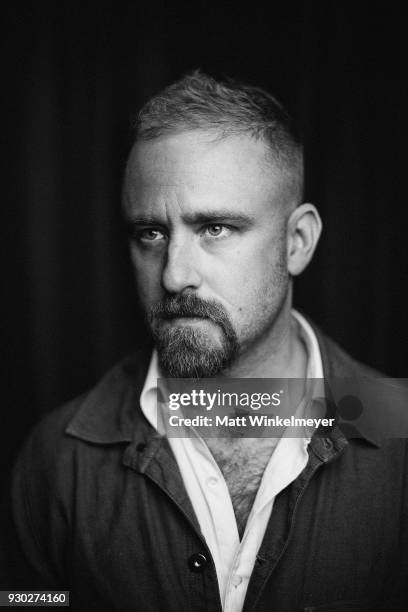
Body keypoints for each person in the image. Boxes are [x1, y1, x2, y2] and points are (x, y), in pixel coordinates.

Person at [3, 71, 408, 611]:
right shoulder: (59, 457)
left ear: (298, 242)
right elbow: (27, 600)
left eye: (215, 228)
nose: (174, 275)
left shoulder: (398, 438)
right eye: (152, 232)